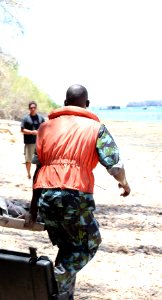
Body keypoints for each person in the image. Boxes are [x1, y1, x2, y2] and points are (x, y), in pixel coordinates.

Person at [26, 84, 131, 299]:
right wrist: (124, 183)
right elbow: (115, 166)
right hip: (75, 196)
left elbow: (38, 169)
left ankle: (62, 295)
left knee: (67, 247)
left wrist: (33, 209)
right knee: (89, 244)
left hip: (46, 195)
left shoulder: (46, 127)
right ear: (88, 104)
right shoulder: (96, 127)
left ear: (64, 103)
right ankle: (53, 280)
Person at [20, 101, 45, 179]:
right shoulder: (25, 118)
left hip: (39, 142)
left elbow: (45, 129)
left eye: (34, 107)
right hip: (29, 142)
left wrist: (39, 132)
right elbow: (22, 130)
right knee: (28, 159)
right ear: (29, 109)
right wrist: (32, 132)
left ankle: (38, 174)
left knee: (40, 160)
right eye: (31, 108)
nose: (33, 109)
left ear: (36, 108)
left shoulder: (41, 118)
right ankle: (28, 174)